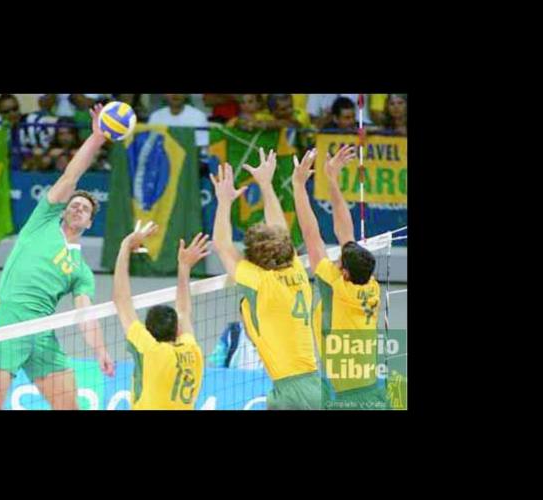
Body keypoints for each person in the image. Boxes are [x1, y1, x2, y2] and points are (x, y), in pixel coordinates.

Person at [0, 104, 115, 410]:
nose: (78, 207)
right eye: (75, 204)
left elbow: (85, 314)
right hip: (8, 322)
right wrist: (96, 139)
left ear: (90, 223)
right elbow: (70, 177)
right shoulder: (42, 222)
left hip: (42, 332)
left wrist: (100, 350)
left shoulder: (81, 270)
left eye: (86, 209)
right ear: (65, 208)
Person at [209, 147, 322, 410]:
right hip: (310, 384)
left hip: (292, 392)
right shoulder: (296, 270)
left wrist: (224, 201)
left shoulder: (260, 282)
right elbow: (279, 228)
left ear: (253, 258)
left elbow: (223, 245)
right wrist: (266, 184)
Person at [291, 145, 389, 410]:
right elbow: (346, 233)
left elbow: (311, 234)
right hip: (367, 380)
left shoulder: (336, 288)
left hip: (345, 392)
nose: (335, 259)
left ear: (343, 273)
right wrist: (331, 178)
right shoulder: (369, 283)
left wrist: (299, 186)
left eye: (339, 262)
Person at [112, 226, 208, 410]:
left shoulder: (151, 350)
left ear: (148, 331)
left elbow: (121, 301)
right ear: (178, 329)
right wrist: (184, 267)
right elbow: (184, 311)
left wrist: (125, 247)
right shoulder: (192, 350)